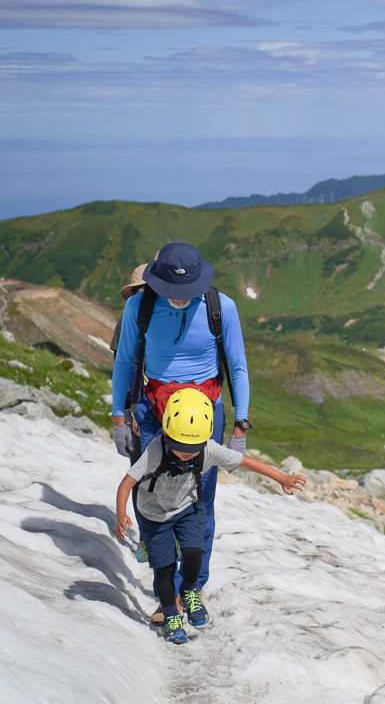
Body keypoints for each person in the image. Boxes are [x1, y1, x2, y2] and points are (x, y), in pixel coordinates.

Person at [111, 242, 250, 609]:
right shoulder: (137, 306)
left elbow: (238, 367)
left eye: (186, 292)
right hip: (155, 410)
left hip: (206, 414)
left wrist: (240, 426)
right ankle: (167, 595)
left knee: (198, 501)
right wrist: (119, 417)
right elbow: (124, 362)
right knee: (153, 496)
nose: (179, 299)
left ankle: (193, 586)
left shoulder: (222, 307)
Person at [115, 388, 306, 643]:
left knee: (195, 553)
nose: (186, 453)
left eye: (192, 449)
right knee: (164, 569)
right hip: (154, 516)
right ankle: (171, 615)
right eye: (179, 447)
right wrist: (121, 514)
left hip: (188, 509)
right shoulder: (155, 450)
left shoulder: (208, 448)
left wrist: (282, 477)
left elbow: (246, 462)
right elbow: (127, 482)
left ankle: (189, 592)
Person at [110, 263, 148, 561]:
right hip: (140, 410)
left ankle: (155, 537)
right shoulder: (127, 321)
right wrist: (121, 416)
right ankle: (149, 537)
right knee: (141, 473)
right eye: (137, 292)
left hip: (155, 408)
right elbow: (121, 370)